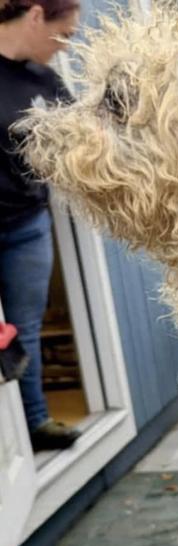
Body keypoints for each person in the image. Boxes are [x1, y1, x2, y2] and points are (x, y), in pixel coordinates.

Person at [0, 0, 81, 451]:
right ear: (34, 16)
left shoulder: (44, 80)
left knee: (23, 330)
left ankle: (35, 422)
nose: (66, 44)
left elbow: (82, 141)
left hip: (27, 224)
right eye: (63, 32)